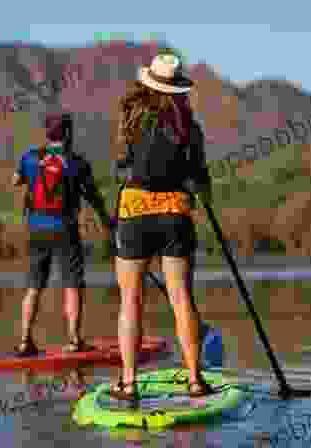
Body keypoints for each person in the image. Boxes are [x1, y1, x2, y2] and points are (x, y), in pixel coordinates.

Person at [110, 53, 214, 399]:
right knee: (182, 297)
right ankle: (196, 379)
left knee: (131, 300)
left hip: (135, 210)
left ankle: (128, 382)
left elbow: (123, 161)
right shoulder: (191, 126)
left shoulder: (130, 117)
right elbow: (200, 177)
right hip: (175, 211)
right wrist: (205, 200)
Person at [12, 111, 112, 355]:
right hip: (65, 230)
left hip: (36, 229)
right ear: (67, 133)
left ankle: (25, 341)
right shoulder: (77, 162)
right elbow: (93, 196)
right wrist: (106, 221)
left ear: (47, 133)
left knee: (34, 286)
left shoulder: (30, 158)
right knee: (72, 286)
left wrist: (30, 174)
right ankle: (74, 341)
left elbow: (15, 180)